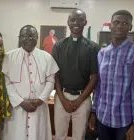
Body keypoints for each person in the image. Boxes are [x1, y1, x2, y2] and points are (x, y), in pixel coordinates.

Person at [89, 10, 134, 140]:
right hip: (103, 117)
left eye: (124, 23)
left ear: (130, 27)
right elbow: (99, 86)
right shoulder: (102, 53)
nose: (119, 26)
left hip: (125, 121)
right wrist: (94, 112)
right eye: (116, 22)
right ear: (110, 25)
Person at [2, 25, 59, 140]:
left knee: (38, 134)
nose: (30, 39)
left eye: (33, 36)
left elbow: (51, 80)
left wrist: (41, 99)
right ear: (19, 38)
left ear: (37, 38)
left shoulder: (46, 57)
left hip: (39, 108)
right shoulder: (9, 57)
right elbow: (7, 83)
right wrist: (21, 102)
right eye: (25, 36)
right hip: (17, 108)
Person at [52, 8, 100, 140]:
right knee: (59, 135)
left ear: (85, 22)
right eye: (73, 19)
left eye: (80, 20)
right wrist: (62, 98)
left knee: (79, 136)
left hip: (83, 98)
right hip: (62, 96)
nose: (76, 23)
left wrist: (79, 100)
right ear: (68, 22)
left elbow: (94, 77)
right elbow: (55, 74)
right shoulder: (58, 46)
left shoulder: (93, 48)